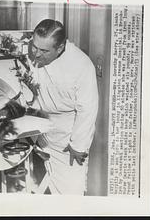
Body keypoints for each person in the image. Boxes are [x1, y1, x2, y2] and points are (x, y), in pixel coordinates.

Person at [27, 19, 99, 195]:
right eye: (34, 46)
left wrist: (78, 146)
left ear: (60, 48)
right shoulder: (33, 50)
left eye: (43, 51)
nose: (36, 54)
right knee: (34, 180)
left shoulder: (81, 65)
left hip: (67, 138)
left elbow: (87, 109)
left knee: (71, 191)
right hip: (39, 125)